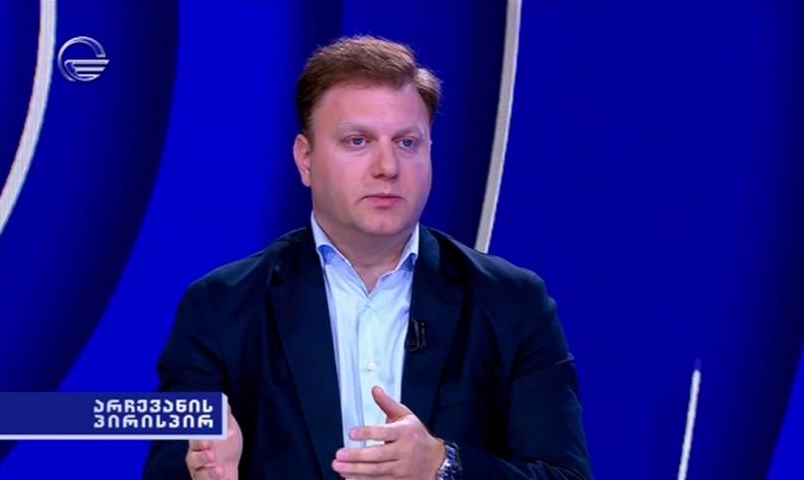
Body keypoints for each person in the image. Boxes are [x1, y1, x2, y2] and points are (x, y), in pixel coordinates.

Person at [143, 35, 592, 480]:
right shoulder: (221, 308)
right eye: (358, 141)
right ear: (305, 159)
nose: (387, 167)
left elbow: (565, 476)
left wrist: (441, 464)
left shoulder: (511, 302)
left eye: (407, 143)